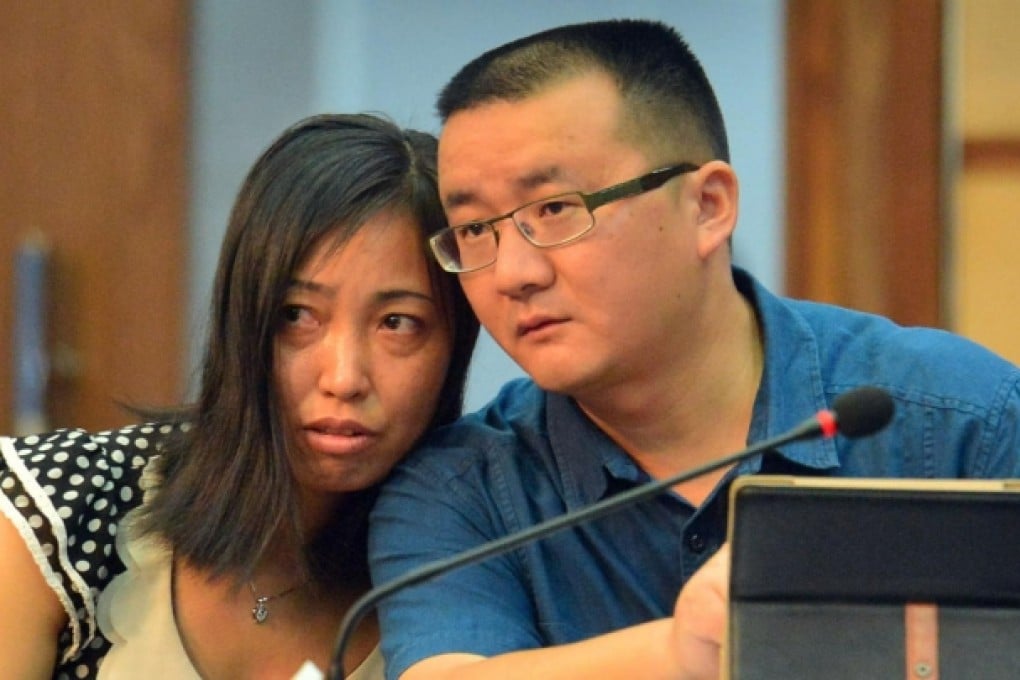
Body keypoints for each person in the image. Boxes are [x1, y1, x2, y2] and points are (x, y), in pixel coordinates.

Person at [367, 18, 1020, 680]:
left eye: (557, 209)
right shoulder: (462, 489)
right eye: (475, 229)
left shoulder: (961, 421)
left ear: (708, 206)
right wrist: (681, 650)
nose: (512, 273)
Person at [0, 113, 479, 678]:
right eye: (297, 316)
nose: (345, 377)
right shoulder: (56, 509)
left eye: (398, 322)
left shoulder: (464, 571)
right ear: (241, 320)